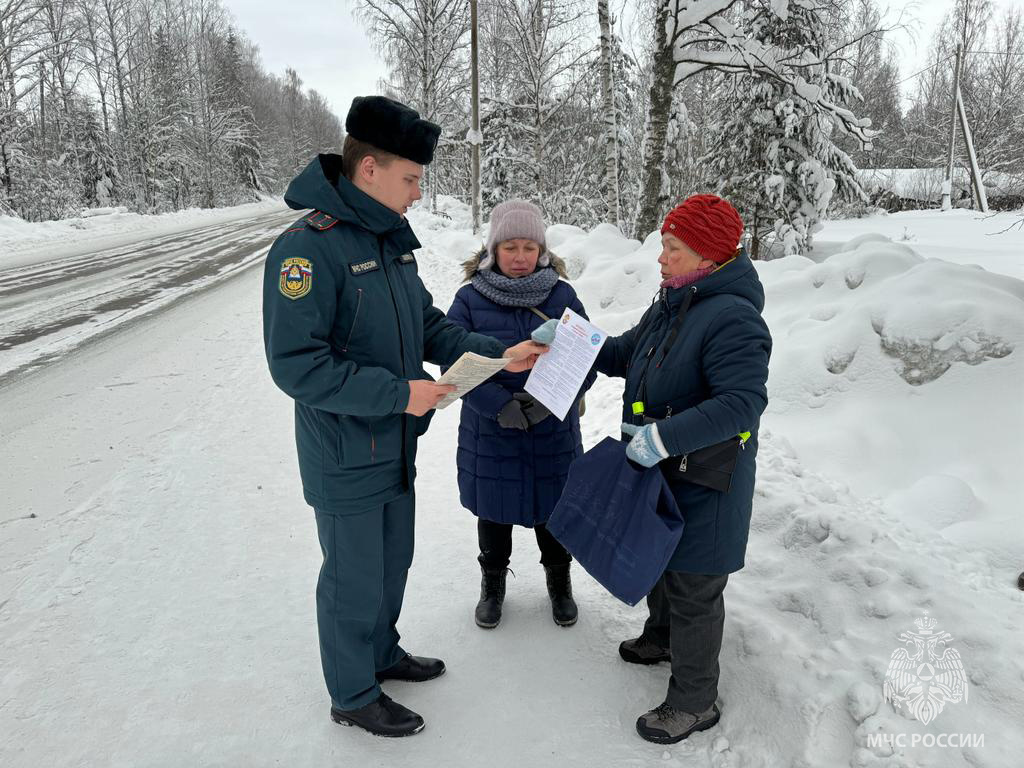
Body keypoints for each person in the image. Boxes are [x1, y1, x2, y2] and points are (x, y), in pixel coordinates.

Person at [262, 96, 547, 738]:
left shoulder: (390, 243)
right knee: (352, 576)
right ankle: (352, 692)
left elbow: (431, 329)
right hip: (345, 449)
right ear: (370, 171)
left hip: (394, 444)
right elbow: (296, 367)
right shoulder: (308, 251)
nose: (419, 193)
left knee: (393, 562)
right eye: (412, 178)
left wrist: (503, 355)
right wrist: (400, 394)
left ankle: (381, 653)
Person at [539, 194, 771, 743]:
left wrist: (664, 437)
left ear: (708, 256)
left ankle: (695, 701)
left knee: (694, 584)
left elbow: (742, 403)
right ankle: (662, 636)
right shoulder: (675, 299)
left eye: (672, 248)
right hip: (666, 466)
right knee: (662, 561)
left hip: (708, 477)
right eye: (664, 246)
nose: (661, 258)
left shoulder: (733, 317)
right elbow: (627, 352)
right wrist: (573, 340)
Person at [445, 200, 596, 630]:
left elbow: (586, 358)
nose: (520, 256)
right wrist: (498, 406)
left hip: (552, 429)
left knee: (554, 511)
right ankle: (492, 585)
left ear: (542, 250)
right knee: (493, 512)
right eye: (510, 246)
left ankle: (559, 580)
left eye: (529, 247)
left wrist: (550, 402)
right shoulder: (470, 299)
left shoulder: (562, 295)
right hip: (491, 431)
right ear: (494, 249)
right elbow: (453, 365)